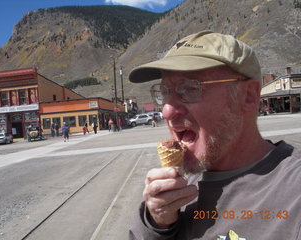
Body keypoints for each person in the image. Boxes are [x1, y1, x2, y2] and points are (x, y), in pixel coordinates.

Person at [128, 31, 301, 239]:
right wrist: (157, 224)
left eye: (189, 89)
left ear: (248, 96)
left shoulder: (294, 193)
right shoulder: (174, 189)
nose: (166, 111)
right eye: (165, 92)